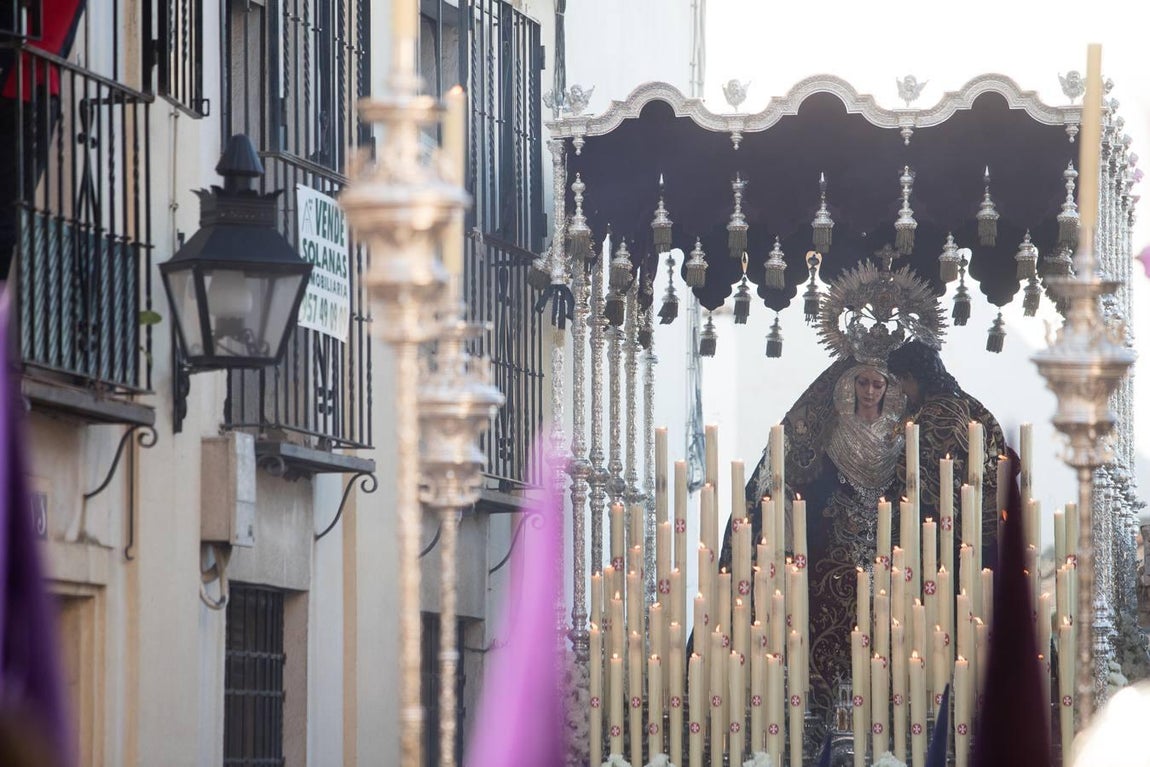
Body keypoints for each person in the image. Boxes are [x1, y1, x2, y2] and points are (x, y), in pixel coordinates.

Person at [719, 355, 906, 713]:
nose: (868, 391)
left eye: (877, 384)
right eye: (862, 382)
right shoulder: (830, 430)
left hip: (886, 551)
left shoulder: (900, 435)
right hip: (832, 555)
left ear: (889, 389)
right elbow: (790, 472)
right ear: (848, 384)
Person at [887, 340, 1011, 569]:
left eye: (903, 380)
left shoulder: (939, 413)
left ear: (913, 377)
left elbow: (927, 478)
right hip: (975, 523)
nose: (902, 390)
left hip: (949, 532)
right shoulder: (968, 404)